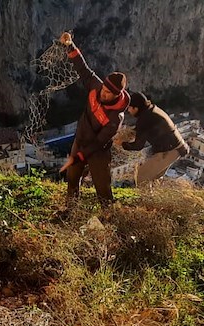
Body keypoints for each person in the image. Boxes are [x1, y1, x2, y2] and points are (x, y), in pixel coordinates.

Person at [59, 32, 130, 207]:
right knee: (72, 178)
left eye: (108, 93)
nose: (103, 94)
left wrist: (79, 156)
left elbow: (99, 142)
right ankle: (70, 210)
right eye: (104, 89)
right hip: (81, 140)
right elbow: (83, 68)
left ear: (116, 95)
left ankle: (108, 216)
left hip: (98, 150)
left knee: (102, 187)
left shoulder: (116, 117)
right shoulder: (96, 87)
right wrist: (70, 45)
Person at [121, 92, 189, 187]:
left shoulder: (144, 119)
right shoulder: (152, 110)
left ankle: (145, 200)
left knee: (141, 175)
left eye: (129, 108)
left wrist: (122, 144)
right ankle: (152, 198)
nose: (128, 110)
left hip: (169, 150)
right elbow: (143, 130)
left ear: (136, 108)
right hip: (177, 147)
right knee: (153, 178)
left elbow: (138, 146)